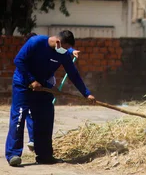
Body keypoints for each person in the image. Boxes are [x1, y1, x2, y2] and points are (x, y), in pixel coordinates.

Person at [5, 30, 95, 166]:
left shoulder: (63, 54)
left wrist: (86, 93)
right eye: (65, 48)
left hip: (42, 87)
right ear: (58, 42)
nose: (66, 51)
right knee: (19, 116)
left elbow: (73, 74)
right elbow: (19, 60)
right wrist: (31, 80)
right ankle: (13, 154)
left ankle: (44, 155)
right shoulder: (36, 42)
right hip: (23, 84)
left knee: (46, 116)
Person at [22, 33, 80, 153]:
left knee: (43, 112)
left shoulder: (48, 45)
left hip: (46, 81)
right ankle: (33, 139)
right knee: (29, 113)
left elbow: (62, 47)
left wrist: (72, 51)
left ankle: (40, 145)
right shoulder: (30, 52)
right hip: (31, 82)